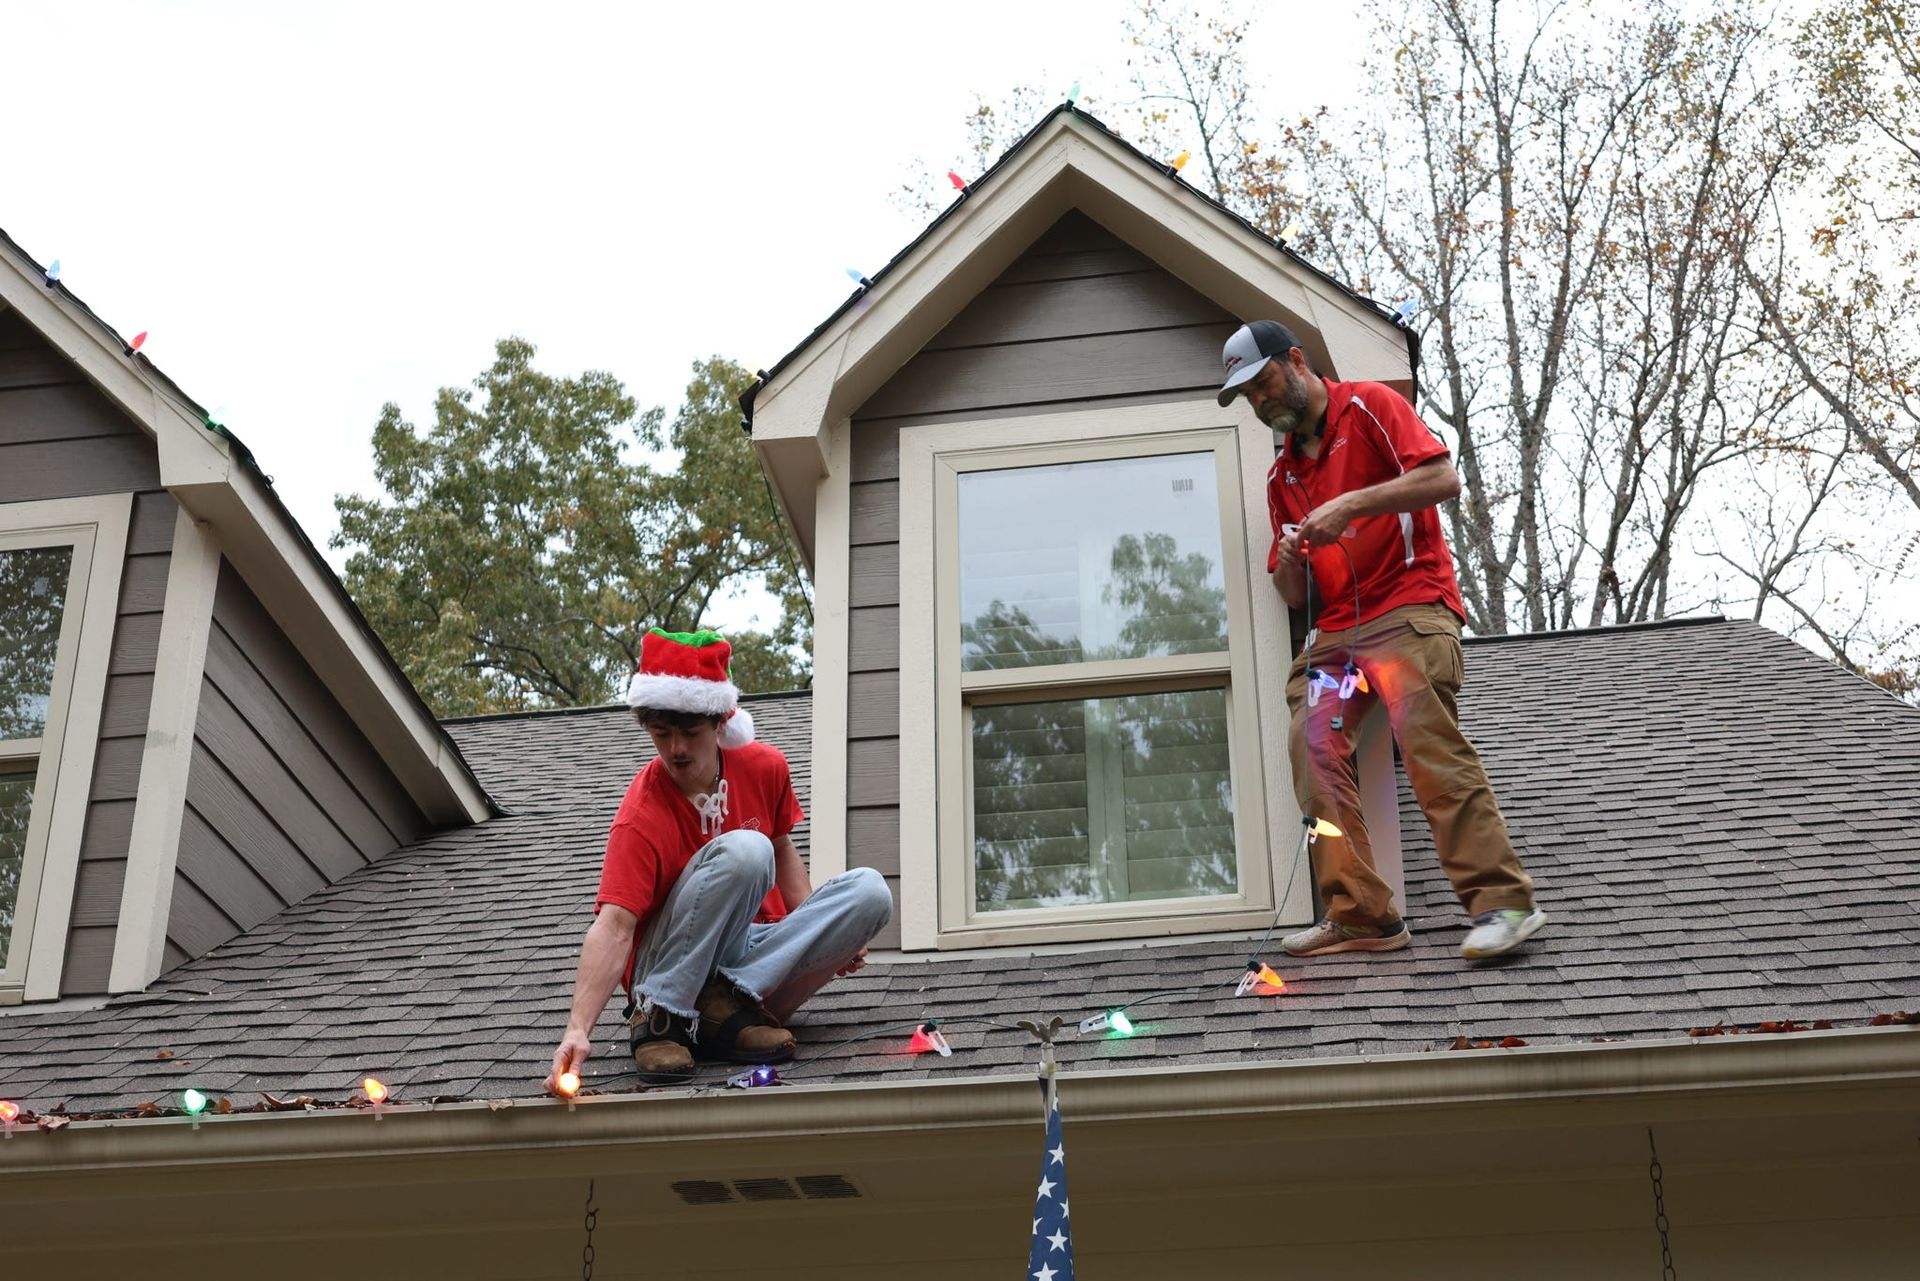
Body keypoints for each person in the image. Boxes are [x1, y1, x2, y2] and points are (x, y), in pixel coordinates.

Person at [1215, 320, 1547, 960]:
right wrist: (1290, 556)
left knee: (1426, 740)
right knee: (1310, 747)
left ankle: (1504, 904)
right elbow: (1293, 595)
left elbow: (1443, 481)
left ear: (1296, 361)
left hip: (1408, 607)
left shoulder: (1370, 404)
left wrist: (1350, 506)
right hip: (1336, 633)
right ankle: (1363, 914)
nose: (1260, 401)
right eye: (1246, 396)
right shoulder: (1280, 478)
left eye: (1262, 383)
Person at [546, 628, 892, 1092]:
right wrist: (577, 1030)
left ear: (720, 723)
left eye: (690, 732)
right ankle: (665, 1014)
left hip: (750, 979)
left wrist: (821, 929)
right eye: (661, 733)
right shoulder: (641, 814)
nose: (676, 749)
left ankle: (727, 1006)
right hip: (666, 972)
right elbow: (614, 927)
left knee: (870, 891)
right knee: (749, 848)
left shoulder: (766, 767)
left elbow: (784, 849)